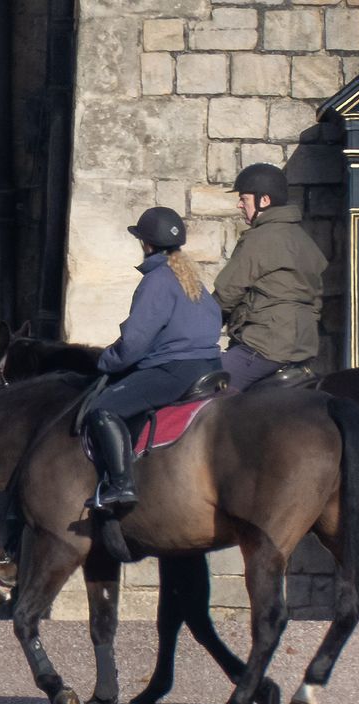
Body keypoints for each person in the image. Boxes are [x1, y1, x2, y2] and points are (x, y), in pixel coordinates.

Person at [83, 206, 222, 511]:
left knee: (104, 408)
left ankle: (121, 485)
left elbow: (134, 342)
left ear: (146, 245)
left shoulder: (156, 281)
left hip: (175, 370)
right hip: (210, 364)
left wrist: (105, 361)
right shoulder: (191, 279)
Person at [213, 163, 328, 391]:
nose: (239, 205)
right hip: (302, 349)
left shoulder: (259, 239)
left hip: (263, 347)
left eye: (243, 199)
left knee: (204, 383)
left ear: (263, 200)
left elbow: (227, 294)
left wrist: (196, 328)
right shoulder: (305, 241)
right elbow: (316, 301)